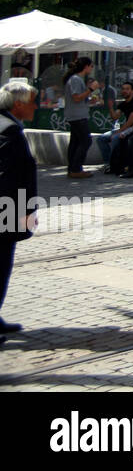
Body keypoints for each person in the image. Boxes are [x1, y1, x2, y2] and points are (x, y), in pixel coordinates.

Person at [0, 79, 40, 343]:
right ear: (18, 105)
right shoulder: (9, 131)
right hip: (6, 210)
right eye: (32, 102)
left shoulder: (8, 125)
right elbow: (7, 178)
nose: (36, 107)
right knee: (0, 265)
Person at [62, 57, 98, 179]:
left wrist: (90, 99)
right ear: (86, 66)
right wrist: (91, 89)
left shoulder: (77, 79)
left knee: (75, 142)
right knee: (85, 141)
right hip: (77, 115)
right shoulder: (76, 79)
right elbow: (76, 97)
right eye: (91, 66)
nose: (92, 69)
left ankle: (72, 168)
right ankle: (76, 168)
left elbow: (79, 98)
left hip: (75, 114)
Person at [97, 81, 133, 175]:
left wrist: (118, 132)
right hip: (124, 129)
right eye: (123, 89)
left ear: (132, 91)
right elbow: (115, 117)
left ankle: (114, 164)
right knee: (101, 139)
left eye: (127, 89)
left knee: (115, 139)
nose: (124, 91)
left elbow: (130, 122)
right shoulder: (123, 104)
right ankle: (108, 163)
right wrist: (110, 107)